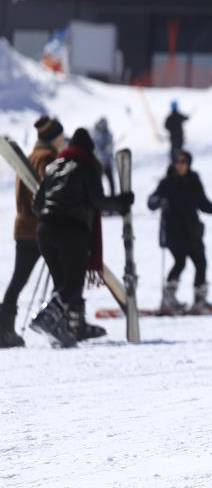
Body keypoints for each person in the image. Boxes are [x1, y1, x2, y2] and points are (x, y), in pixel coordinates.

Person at [29, 128, 133, 348]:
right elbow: (98, 201)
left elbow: (37, 205)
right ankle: (47, 318)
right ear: (90, 149)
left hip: (45, 230)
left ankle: (69, 327)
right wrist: (122, 202)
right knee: (73, 283)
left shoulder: (54, 166)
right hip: (71, 230)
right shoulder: (87, 165)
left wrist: (52, 214)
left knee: (62, 282)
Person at [0, 117, 64, 348]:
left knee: (18, 280)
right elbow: (48, 192)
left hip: (23, 227)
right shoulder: (48, 158)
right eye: (61, 136)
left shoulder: (30, 157)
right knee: (62, 277)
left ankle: (4, 328)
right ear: (54, 137)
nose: (63, 139)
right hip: (41, 228)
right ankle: (61, 322)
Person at [147, 150, 212, 313]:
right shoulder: (167, 182)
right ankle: (168, 298)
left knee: (201, 263)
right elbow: (151, 201)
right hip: (174, 231)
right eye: (177, 162)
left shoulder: (194, 180)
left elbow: (203, 203)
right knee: (180, 262)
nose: (180, 165)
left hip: (192, 230)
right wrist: (158, 201)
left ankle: (199, 300)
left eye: (183, 162)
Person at [91, 117, 115, 195]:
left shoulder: (108, 133)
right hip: (99, 163)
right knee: (97, 183)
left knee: (111, 183)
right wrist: (101, 159)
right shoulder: (95, 134)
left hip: (107, 163)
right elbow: (95, 149)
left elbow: (109, 148)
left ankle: (113, 197)